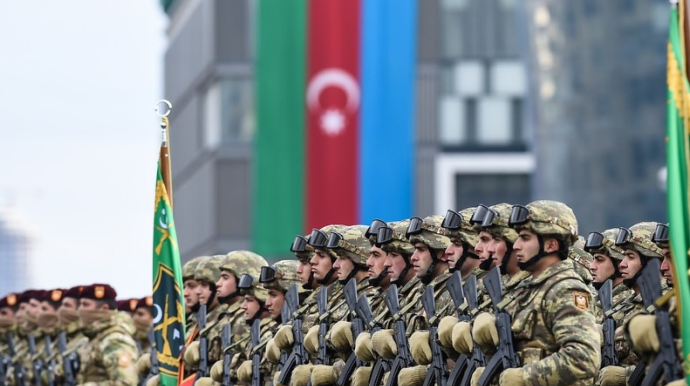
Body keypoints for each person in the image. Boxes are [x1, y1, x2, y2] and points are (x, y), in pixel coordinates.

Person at [471, 200, 600, 386]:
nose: (516, 245)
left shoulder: (566, 289)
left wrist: (524, 377)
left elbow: (584, 358)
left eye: (525, 238)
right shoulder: (528, 289)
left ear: (551, 245)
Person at [76, 283, 139, 385]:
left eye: (85, 304)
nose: (80, 309)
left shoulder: (115, 339)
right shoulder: (94, 338)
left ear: (104, 309)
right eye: (80, 304)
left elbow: (126, 383)